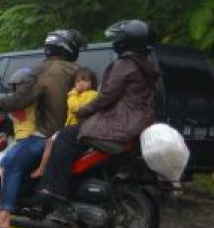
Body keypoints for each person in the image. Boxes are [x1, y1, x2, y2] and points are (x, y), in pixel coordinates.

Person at [0, 29, 84, 228]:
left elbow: (21, 98)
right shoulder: (78, 71)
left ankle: (3, 217)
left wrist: (0, 103)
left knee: (10, 163)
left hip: (46, 134)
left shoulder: (46, 70)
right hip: (74, 134)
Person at [38, 20, 159, 201]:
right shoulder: (146, 64)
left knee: (65, 136)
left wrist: (83, 111)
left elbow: (106, 97)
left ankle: (55, 189)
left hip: (119, 123)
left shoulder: (125, 64)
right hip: (137, 122)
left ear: (127, 40)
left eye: (119, 37)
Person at [31, 67, 98, 178]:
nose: (81, 83)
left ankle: (42, 169)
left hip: (79, 129)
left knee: (51, 142)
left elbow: (75, 107)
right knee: (51, 142)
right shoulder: (78, 95)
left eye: (85, 80)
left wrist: (73, 93)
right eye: (78, 81)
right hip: (71, 128)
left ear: (92, 82)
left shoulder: (92, 94)